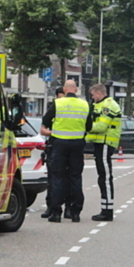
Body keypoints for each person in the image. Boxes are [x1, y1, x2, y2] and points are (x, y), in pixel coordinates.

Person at [41, 80, 92, 223]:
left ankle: (56, 212)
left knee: (58, 177)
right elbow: (88, 126)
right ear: (76, 89)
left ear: (65, 89)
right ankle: (75, 212)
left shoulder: (58, 103)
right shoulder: (85, 105)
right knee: (75, 177)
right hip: (77, 145)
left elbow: (45, 121)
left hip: (59, 144)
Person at [87, 83, 122, 222]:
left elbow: (101, 126)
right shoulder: (99, 105)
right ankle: (105, 208)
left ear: (99, 93)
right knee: (102, 176)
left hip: (105, 143)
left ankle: (107, 211)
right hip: (100, 144)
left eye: (93, 95)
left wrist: (85, 128)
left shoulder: (108, 105)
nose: (92, 97)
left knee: (105, 177)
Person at [41, 86, 66, 219]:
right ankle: (51, 206)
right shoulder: (54, 108)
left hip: (66, 145)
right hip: (55, 145)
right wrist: (54, 133)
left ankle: (67, 207)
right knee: (53, 179)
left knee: (66, 178)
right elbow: (43, 127)